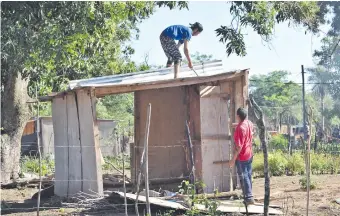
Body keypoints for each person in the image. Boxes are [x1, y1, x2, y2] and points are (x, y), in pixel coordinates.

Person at [229, 107, 255, 205]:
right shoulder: (249, 123)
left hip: (242, 156)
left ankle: (248, 198)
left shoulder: (239, 129)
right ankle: (249, 195)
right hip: (249, 154)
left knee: (244, 177)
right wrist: (236, 124)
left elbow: (239, 147)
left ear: (238, 116)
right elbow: (251, 130)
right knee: (248, 175)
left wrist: (232, 159)